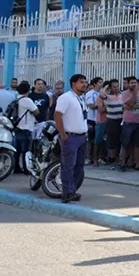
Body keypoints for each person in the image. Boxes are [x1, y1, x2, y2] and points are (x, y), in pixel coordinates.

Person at [54, 75, 91, 203]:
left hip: (82, 137)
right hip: (70, 137)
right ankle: (66, 192)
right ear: (73, 84)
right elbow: (58, 116)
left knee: (79, 166)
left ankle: (72, 190)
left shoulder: (80, 98)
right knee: (68, 166)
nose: (85, 84)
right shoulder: (65, 98)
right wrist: (63, 134)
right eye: (81, 82)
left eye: (85, 82)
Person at [119, 77, 139, 171]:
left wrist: (134, 106)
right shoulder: (124, 94)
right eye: (132, 83)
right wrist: (134, 93)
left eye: (135, 83)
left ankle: (137, 164)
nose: (134, 84)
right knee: (125, 144)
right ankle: (123, 163)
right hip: (128, 122)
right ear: (128, 84)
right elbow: (128, 104)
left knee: (138, 144)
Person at [13, 81, 39, 172]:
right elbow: (36, 111)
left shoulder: (17, 98)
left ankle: (16, 167)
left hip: (17, 127)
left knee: (17, 150)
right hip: (26, 127)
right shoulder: (27, 100)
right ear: (28, 90)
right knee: (26, 150)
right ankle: (26, 168)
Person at [101, 79, 123, 166]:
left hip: (121, 120)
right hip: (111, 120)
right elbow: (101, 95)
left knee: (120, 139)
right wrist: (106, 87)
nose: (116, 88)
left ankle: (118, 157)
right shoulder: (107, 95)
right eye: (114, 87)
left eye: (117, 86)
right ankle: (111, 157)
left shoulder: (122, 94)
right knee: (111, 139)